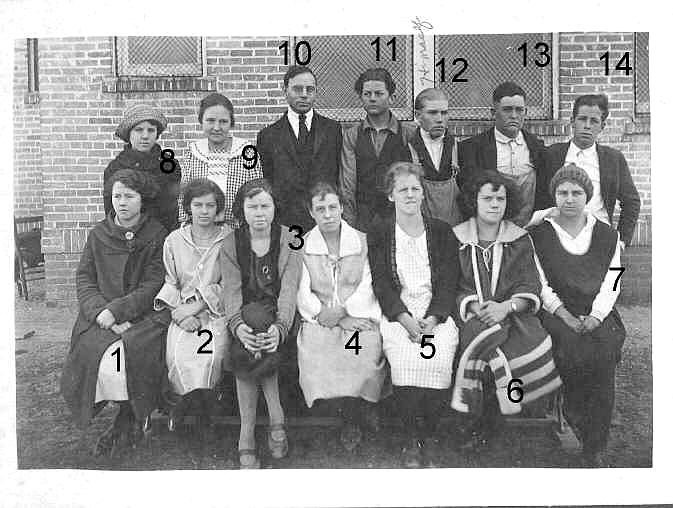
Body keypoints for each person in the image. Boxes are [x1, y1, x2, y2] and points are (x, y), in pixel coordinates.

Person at [61, 169, 170, 457]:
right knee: (96, 355)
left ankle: (131, 417)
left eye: (129, 196)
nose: (122, 202)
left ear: (142, 199)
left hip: (143, 314)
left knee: (140, 350)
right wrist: (102, 313)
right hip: (100, 317)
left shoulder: (157, 234)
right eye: (117, 196)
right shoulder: (99, 234)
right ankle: (122, 415)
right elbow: (85, 279)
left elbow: (154, 283)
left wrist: (120, 311)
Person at [451, 170, 561, 446]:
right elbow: (451, 282)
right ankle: (478, 426)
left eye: (500, 198)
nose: (494, 203)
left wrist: (506, 307)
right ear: (473, 201)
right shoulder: (458, 238)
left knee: (507, 352)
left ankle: (489, 427)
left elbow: (530, 283)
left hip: (515, 316)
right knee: (480, 345)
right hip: (472, 314)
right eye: (487, 197)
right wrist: (475, 306)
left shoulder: (520, 238)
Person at [530, 165, 625, 467]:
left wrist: (596, 316)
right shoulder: (539, 234)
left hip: (598, 312)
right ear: (553, 195)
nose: (569, 199)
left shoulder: (608, 235)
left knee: (604, 351)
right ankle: (572, 418)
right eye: (562, 192)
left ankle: (595, 442)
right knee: (570, 348)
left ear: (587, 196)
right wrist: (565, 316)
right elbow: (539, 283)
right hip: (558, 312)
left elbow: (613, 280)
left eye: (576, 192)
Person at [367, 162, 460, 468]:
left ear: (423, 193)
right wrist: (404, 318)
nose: (410, 194)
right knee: (406, 357)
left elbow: (449, 283)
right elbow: (381, 282)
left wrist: (433, 318)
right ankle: (411, 439)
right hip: (398, 313)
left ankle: (430, 437)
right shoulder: (380, 231)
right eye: (402, 189)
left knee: (438, 355)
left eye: (415, 188)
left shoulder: (442, 231)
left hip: (434, 313)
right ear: (391, 195)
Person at [296, 182, 389, 452]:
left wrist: (348, 312)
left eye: (332, 207)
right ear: (311, 213)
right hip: (320, 317)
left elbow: (368, 282)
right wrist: (330, 316)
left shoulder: (361, 241)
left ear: (342, 208)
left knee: (360, 352)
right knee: (319, 354)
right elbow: (302, 288)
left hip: (358, 313)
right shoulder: (303, 245)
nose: (327, 214)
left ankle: (356, 416)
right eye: (320, 209)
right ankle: (341, 415)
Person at [220, 178, 301, 468]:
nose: (259, 212)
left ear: (275, 208)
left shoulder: (291, 238)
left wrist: (280, 328)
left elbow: (289, 290)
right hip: (244, 318)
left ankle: (246, 437)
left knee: (259, 327)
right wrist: (237, 326)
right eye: (252, 206)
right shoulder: (230, 242)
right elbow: (231, 291)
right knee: (251, 328)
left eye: (265, 205)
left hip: (281, 318)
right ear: (242, 210)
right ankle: (276, 421)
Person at [154, 179, 232, 437]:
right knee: (177, 354)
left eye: (211, 205)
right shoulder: (174, 240)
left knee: (211, 355)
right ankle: (184, 404)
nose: (204, 211)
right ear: (188, 207)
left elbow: (230, 282)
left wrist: (199, 305)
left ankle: (207, 410)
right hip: (182, 312)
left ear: (218, 209)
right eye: (197, 205)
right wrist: (179, 313)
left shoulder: (228, 238)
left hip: (214, 311)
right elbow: (169, 280)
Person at [544, 94, 641, 247]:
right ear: (572, 122)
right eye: (582, 119)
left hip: (599, 238)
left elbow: (632, 202)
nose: (587, 126)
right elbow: (541, 200)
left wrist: (621, 240)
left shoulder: (613, 159)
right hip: (558, 239)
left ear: (602, 126)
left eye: (594, 121)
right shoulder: (551, 155)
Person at [257, 66, 342, 232]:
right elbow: (268, 182)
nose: (304, 94)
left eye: (310, 89)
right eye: (297, 89)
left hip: (324, 218)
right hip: (285, 222)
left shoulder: (333, 130)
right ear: (285, 90)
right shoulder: (268, 135)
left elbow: (339, 175)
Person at [458, 82, 551, 227]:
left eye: (519, 110)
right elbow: (468, 197)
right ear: (493, 113)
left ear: (525, 112)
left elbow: (544, 195)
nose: (514, 115)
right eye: (507, 110)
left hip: (530, 230)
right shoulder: (472, 148)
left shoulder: (538, 148)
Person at [340, 68, 412, 232]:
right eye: (367, 94)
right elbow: (347, 185)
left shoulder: (408, 133)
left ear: (391, 97)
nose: (372, 98)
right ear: (361, 98)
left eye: (379, 93)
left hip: (400, 219)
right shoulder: (352, 136)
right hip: (363, 220)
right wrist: (351, 228)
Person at [178, 93, 263, 227]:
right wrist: (185, 224)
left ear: (231, 122)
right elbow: (185, 194)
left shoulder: (247, 152)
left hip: (237, 229)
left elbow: (257, 193)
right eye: (210, 121)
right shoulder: (193, 152)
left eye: (223, 121)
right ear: (201, 121)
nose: (217, 127)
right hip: (200, 229)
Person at [104, 104, 182, 232]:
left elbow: (172, 208)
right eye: (139, 130)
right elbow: (111, 214)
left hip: (163, 236)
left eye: (151, 130)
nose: (145, 136)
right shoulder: (115, 168)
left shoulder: (169, 165)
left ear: (157, 134)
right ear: (129, 134)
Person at [407, 87, 462, 226]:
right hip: (422, 232)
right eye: (432, 113)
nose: (439, 119)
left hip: (454, 232)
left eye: (444, 113)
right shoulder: (406, 149)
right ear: (418, 116)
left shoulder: (458, 148)